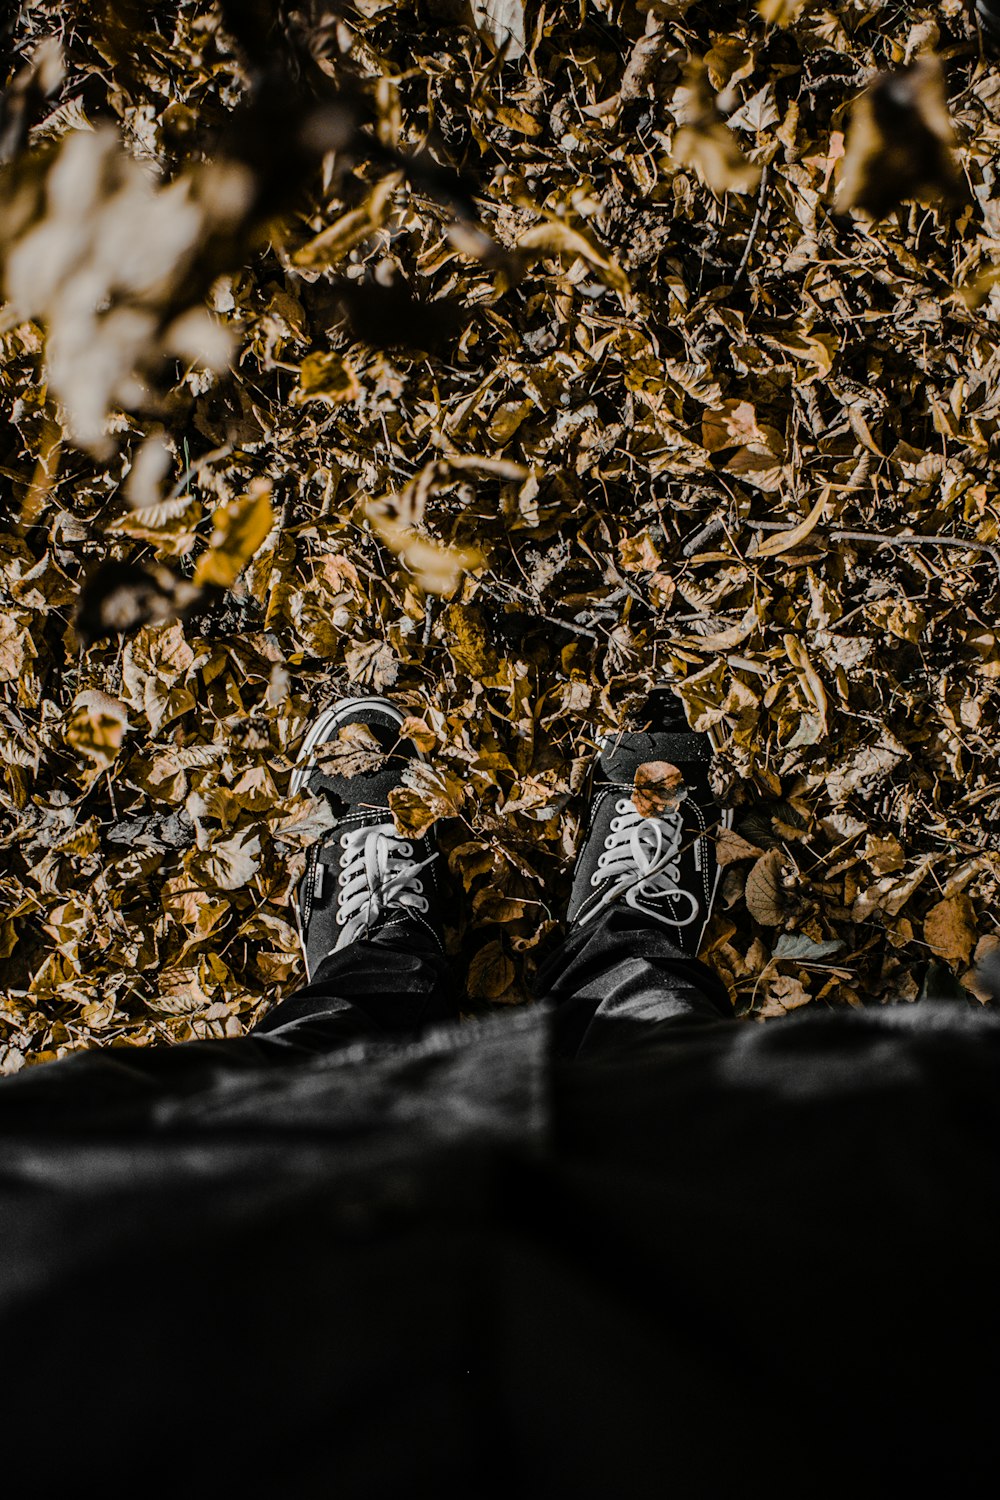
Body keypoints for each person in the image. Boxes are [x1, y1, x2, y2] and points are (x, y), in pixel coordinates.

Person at [0, 690, 996, 1498]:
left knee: (304, 1053)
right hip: (742, 1328)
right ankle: (632, 926)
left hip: (125, 1287)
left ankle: (384, 948)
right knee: (657, 1030)